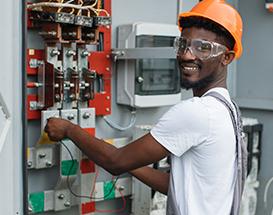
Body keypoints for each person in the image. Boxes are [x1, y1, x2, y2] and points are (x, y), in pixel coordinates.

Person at [45, 0, 246, 214]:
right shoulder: (229, 111)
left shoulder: (197, 112)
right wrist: (129, 158)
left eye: (203, 48)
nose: (187, 54)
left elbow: (114, 162)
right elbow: (178, 187)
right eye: (183, 44)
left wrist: (68, 129)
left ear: (227, 58)